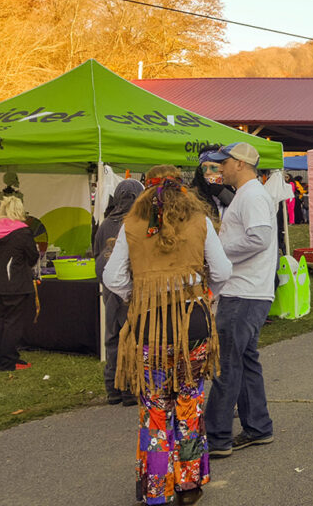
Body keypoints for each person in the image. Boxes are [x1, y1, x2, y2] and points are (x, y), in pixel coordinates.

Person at [102, 165, 232, 506]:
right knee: (189, 405)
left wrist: (139, 296)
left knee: (156, 410)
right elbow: (222, 271)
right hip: (194, 326)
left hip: (151, 328)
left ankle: (157, 489)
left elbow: (113, 277)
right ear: (182, 189)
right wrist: (204, 296)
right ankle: (189, 487)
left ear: (146, 191)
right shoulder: (200, 221)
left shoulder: (132, 225)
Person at [203, 142, 278, 459]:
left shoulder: (252, 195)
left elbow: (259, 238)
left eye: (224, 162)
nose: (219, 168)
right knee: (244, 361)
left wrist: (217, 252)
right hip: (248, 291)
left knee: (227, 364)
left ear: (241, 164)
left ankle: (217, 437)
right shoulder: (248, 194)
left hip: (243, 292)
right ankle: (258, 427)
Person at [93, 178, 144, 405]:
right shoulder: (137, 222)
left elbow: (97, 253)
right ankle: (129, 388)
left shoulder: (105, 224)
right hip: (130, 287)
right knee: (131, 336)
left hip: (108, 287)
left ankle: (113, 387)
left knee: (112, 336)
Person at [0, 194, 39, 372]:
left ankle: (2, 357)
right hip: (16, 284)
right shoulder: (23, 232)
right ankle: (8, 361)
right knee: (13, 324)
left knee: (3, 321)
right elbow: (33, 256)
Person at [191, 146, 235, 221]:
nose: (208, 172)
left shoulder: (236, 189)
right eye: (204, 168)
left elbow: (240, 208)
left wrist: (223, 193)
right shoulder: (193, 193)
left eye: (213, 168)